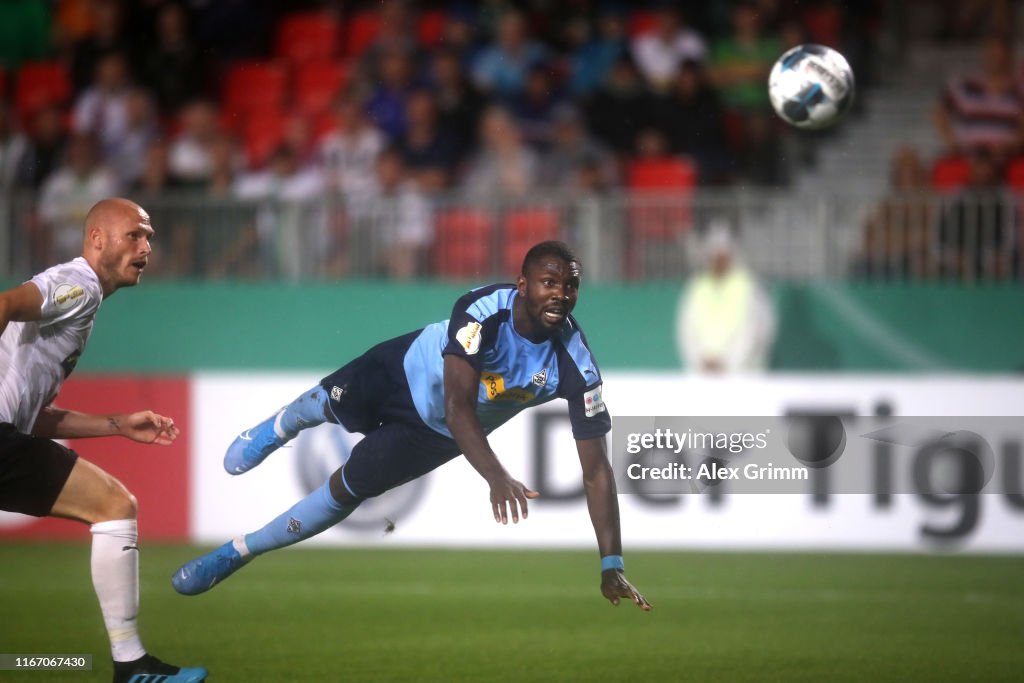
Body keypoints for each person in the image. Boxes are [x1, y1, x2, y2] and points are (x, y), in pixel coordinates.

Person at [172, 241, 651, 612]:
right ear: (522, 285)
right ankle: (277, 428)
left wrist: (612, 563)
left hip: (435, 436)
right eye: (550, 282)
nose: (561, 295)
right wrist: (496, 476)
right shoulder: (482, 310)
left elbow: (596, 471)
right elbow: (458, 403)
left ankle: (240, 551)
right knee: (325, 405)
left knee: (348, 488)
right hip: (404, 370)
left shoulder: (578, 365)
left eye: (570, 286)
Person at [0, 198, 207, 683]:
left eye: (150, 237)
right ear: (97, 240)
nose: (146, 247)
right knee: (114, 505)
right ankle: (131, 666)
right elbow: (4, 303)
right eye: (135, 235)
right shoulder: (81, 284)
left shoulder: (78, 302)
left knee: (112, 504)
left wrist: (117, 424)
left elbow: (34, 421)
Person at [676, 224, 776, 373]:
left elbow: (755, 331)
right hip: (703, 375)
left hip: (741, 376)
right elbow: (686, 330)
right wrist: (700, 361)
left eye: (722, 255)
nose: (717, 260)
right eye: (713, 255)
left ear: (732, 256)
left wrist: (727, 363)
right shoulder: (697, 288)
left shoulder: (749, 287)